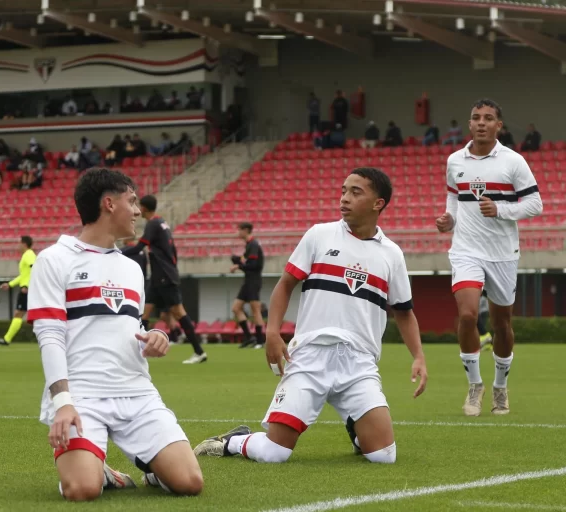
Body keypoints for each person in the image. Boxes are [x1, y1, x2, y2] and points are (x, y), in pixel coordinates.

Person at [194, 168, 427, 465]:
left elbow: (404, 312)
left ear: (378, 203)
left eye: (356, 192)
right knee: (274, 453)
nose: (344, 198)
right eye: (344, 190)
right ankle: (231, 442)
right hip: (310, 357)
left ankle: (356, 425)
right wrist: (273, 332)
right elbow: (285, 285)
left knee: (383, 456)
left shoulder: (391, 254)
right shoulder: (319, 234)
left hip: (359, 363)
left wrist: (418, 356)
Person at [28, 168, 203, 501]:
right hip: (82, 394)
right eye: (132, 201)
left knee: (189, 482)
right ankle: (99, 470)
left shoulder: (131, 267)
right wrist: (63, 404)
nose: (138, 211)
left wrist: (153, 336)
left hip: (136, 392)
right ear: (109, 203)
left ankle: (149, 465)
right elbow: (50, 335)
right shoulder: (53, 260)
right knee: (82, 489)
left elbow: (130, 326)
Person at [436, 98, 542, 417]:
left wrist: (501, 210)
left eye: (488, 118)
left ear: (499, 125)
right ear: (469, 124)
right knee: (468, 315)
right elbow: (454, 202)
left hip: (502, 254)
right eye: (476, 117)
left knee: (501, 324)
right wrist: (448, 221)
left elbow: (535, 204)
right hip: (466, 250)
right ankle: (474, 386)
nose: (481, 122)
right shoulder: (455, 160)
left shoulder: (513, 162)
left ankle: (499, 387)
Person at [121, 196, 207, 364]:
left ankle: (199, 351)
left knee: (179, 312)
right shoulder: (163, 223)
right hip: (160, 276)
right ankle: (136, 352)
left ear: (144, 208)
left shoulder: (153, 224)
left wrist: (117, 252)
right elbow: (173, 252)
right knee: (144, 312)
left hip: (164, 276)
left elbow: (139, 247)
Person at [0, 236, 37, 346]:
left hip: (27, 289)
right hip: (29, 288)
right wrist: (10, 284)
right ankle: (7, 339)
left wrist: (27, 286)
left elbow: (35, 269)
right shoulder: (27, 255)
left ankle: (7, 339)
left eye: (19, 243)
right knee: (25, 314)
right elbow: (24, 275)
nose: (18, 246)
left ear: (24, 244)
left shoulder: (29, 255)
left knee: (19, 314)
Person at [230, 222, 265, 349]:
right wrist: (238, 261)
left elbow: (254, 265)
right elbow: (247, 263)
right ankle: (249, 337)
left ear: (246, 230)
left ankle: (260, 341)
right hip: (247, 281)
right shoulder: (249, 245)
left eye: (239, 229)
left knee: (255, 310)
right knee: (236, 308)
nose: (238, 232)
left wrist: (238, 265)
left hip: (254, 281)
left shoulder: (254, 244)